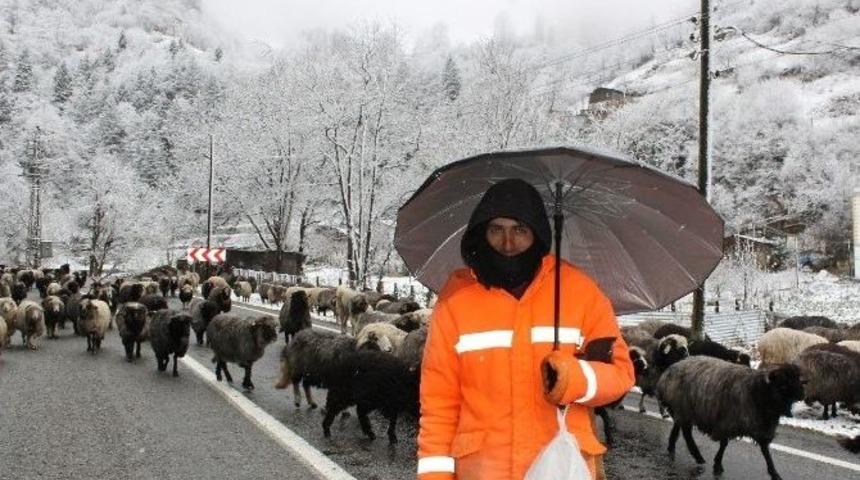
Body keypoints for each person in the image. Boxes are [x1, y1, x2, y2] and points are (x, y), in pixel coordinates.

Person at [417, 178, 635, 480]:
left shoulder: (580, 292)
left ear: (538, 233)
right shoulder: (456, 302)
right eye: (496, 229)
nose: (508, 243)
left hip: (561, 468)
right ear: (481, 233)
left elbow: (620, 374)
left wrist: (574, 378)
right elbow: (439, 406)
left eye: (520, 229)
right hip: (484, 471)